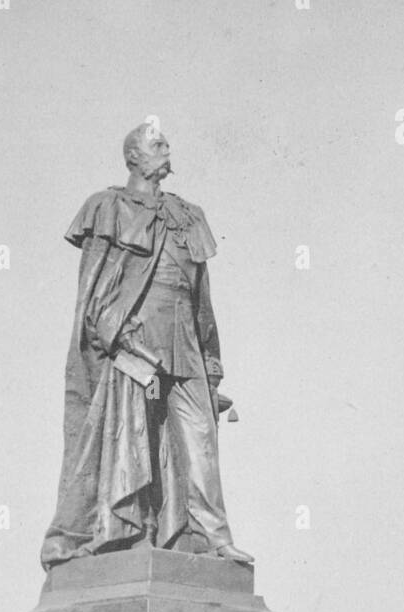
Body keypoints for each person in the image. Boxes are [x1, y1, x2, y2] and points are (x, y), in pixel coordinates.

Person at [40, 122, 254, 570]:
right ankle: (127, 534)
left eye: (167, 143)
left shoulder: (188, 215)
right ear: (133, 157)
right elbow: (93, 287)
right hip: (136, 349)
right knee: (134, 442)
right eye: (157, 144)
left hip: (185, 345)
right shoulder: (107, 207)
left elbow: (201, 294)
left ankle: (213, 539)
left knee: (200, 440)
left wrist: (212, 358)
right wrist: (113, 333)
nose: (167, 149)